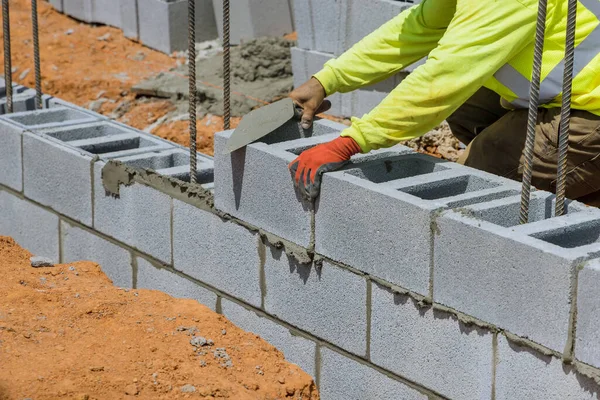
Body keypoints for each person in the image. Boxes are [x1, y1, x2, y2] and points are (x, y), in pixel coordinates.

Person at [288, 0, 600, 205]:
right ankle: (579, 182)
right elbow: (418, 29)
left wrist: (351, 142)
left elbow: (444, 76)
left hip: (592, 116)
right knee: (469, 108)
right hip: (573, 93)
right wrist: (326, 81)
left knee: (476, 181)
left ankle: (575, 181)